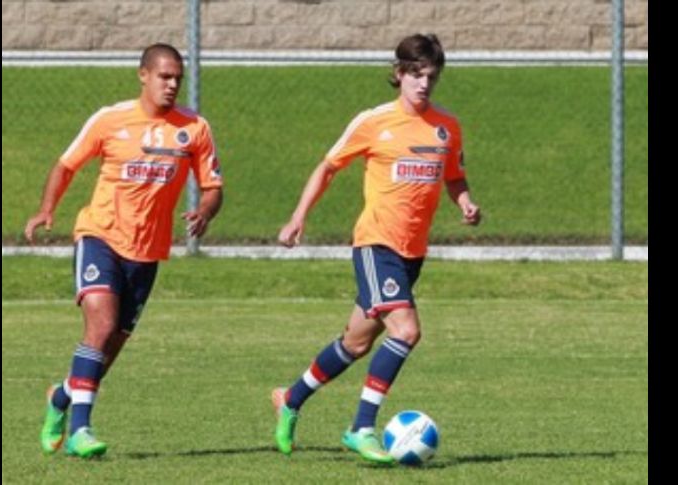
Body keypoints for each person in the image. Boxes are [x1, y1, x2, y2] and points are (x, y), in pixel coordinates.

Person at [272, 33, 481, 464]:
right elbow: (328, 167)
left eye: (431, 77)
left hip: (411, 253)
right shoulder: (374, 121)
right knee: (405, 330)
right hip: (375, 244)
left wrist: (464, 201)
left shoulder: (447, 128)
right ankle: (360, 427)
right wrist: (298, 216)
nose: (424, 84)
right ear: (399, 73)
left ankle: (289, 399)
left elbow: (453, 176)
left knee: (355, 343)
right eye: (416, 75)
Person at [25, 43, 223, 459]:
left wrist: (205, 210)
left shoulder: (194, 128)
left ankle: (61, 398)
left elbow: (213, 186)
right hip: (99, 236)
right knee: (100, 324)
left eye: (177, 79)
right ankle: (81, 431)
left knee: (108, 349)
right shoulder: (110, 119)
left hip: (147, 252)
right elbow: (65, 166)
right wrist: (47, 210)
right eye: (164, 76)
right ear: (144, 75)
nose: (171, 85)